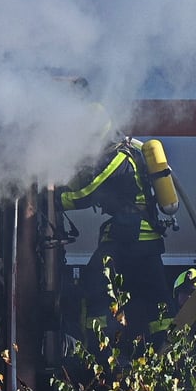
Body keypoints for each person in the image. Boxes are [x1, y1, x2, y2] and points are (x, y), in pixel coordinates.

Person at [58, 135, 175, 348]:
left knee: (94, 285)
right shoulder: (126, 155)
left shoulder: (115, 158)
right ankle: (163, 350)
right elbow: (82, 179)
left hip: (130, 237)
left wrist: (54, 200)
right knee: (155, 299)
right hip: (144, 240)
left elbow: (85, 191)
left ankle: (97, 347)